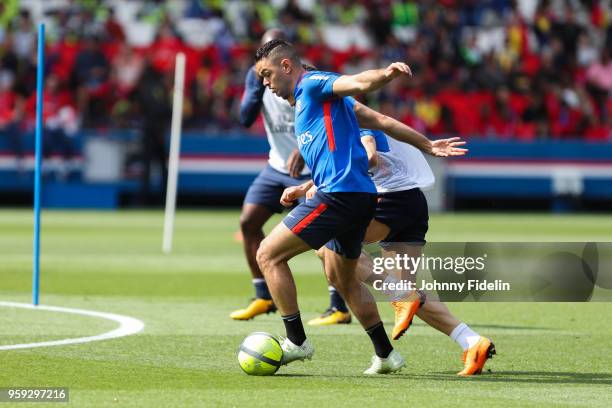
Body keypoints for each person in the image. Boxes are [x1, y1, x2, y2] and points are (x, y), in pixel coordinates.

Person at [253, 39, 465, 374]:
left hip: (340, 197)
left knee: (267, 254)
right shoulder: (324, 106)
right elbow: (381, 120)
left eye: (266, 75)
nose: (265, 84)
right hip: (357, 196)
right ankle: (385, 354)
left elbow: (358, 81)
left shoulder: (314, 84)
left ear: (286, 67)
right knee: (343, 277)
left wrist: (386, 74)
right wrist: (427, 144)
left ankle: (296, 341)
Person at [284, 127, 495, 375]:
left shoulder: (355, 122)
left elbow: (368, 156)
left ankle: (400, 297)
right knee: (410, 294)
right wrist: (306, 186)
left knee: (329, 248)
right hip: (411, 202)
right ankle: (471, 341)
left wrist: (318, 188)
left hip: (389, 200)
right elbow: (347, 163)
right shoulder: (352, 120)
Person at [229, 29, 313, 321]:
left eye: (270, 50)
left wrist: (305, 145)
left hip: (310, 173)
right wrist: (255, 84)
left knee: (327, 240)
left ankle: (338, 305)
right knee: (248, 222)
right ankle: (263, 296)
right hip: (276, 166)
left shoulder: (308, 76)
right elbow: (245, 118)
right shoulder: (259, 78)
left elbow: (329, 119)